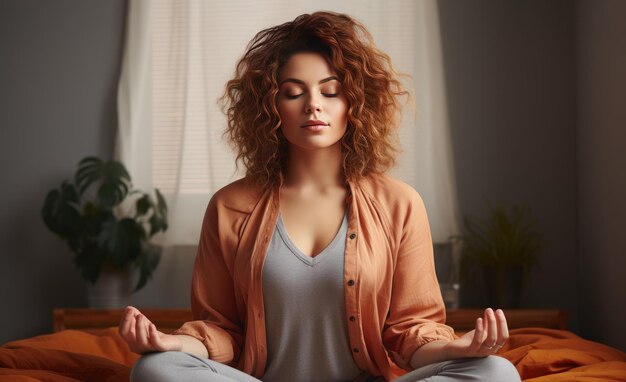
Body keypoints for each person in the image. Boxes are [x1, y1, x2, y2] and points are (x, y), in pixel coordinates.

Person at [119, 11, 521, 382]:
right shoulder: (229, 207)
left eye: (330, 91)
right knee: (155, 369)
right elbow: (221, 330)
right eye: (293, 92)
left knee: (497, 373)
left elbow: (409, 333)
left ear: (355, 102)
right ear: (270, 107)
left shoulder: (400, 203)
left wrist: (458, 347)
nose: (313, 105)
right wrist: (172, 343)